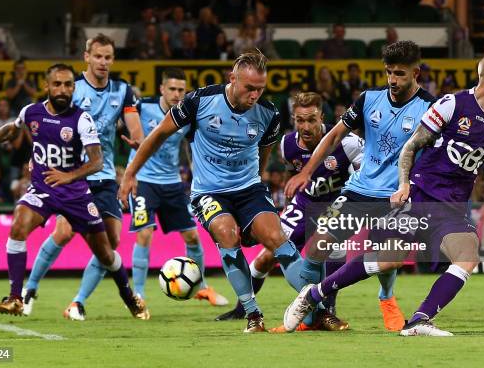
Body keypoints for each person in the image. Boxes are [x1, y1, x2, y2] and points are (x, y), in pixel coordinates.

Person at [283, 50, 484, 336]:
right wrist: (404, 184)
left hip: (452, 208)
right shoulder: (451, 104)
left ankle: (419, 320)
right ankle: (314, 295)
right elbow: (410, 147)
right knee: (389, 259)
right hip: (419, 197)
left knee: (467, 255)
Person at [120, 51, 308, 333]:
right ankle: (253, 315)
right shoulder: (200, 101)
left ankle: (315, 305)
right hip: (209, 192)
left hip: (248, 188)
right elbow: (158, 134)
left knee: (276, 238)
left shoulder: (269, 114)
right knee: (227, 235)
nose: (255, 94)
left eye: (260, 89)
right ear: (232, 78)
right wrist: (130, 173)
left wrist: (257, 187)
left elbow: (263, 154)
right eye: (249, 88)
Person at [0, 63, 147, 319]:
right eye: (57, 84)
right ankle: (15, 298)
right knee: (18, 226)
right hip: (43, 190)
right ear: (46, 86)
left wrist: (68, 176)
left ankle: (128, 296)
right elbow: (9, 130)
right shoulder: (31, 112)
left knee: (106, 252)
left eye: (68, 84)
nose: (63, 89)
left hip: (76, 195)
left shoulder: (82, 119)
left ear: (73, 88)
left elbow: (97, 161)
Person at [284, 41, 436, 332]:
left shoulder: (430, 108)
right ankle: (314, 314)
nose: (392, 80)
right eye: (389, 72)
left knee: (388, 256)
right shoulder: (368, 99)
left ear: (416, 73)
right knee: (317, 248)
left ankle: (387, 298)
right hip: (358, 190)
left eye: (400, 74)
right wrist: (306, 171)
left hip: (397, 195)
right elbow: (333, 136)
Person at [215, 91, 363, 332]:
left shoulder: (347, 143)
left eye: (311, 120)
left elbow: (363, 177)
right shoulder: (287, 144)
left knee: (330, 248)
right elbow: (291, 174)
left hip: (337, 202)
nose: (305, 126)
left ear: (321, 117)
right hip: (305, 203)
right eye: (299, 120)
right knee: (267, 255)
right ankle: (243, 308)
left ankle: (328, 308)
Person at [21, 34, 143, 321]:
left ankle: (77, 303)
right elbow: (41, 121)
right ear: (86, 56)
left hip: (104, 174)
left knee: (110, 243)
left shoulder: (123, 91)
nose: (103, 62)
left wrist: (137, 143)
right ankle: (30, 290)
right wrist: (34, 156)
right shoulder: (69, 87)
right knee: (63, 232)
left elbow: (136, 131)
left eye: (108, 57)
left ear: (113, 60)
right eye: (98, 56)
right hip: (72, 174)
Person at [128, 67, 228, 309]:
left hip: (172, 183)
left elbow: (189, 145)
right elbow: (126, 126)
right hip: (144, 182)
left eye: (181, 90)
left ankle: (201, 287)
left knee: (193, 236)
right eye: (171, 88)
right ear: (162, 88)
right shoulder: (142, 107)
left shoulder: (186, 115)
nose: (176, 94)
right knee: (144, 233)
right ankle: (138, 295)